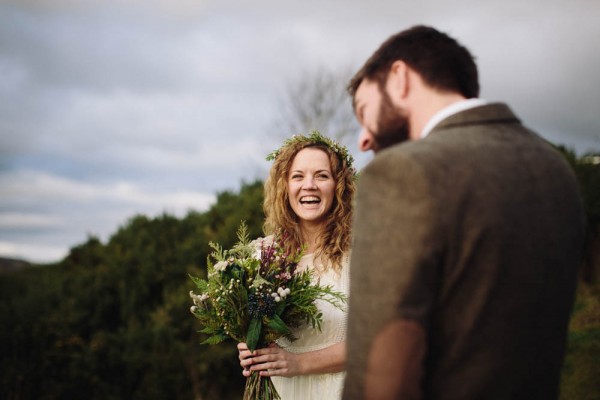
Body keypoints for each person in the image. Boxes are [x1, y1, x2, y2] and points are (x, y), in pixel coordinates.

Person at [342, 25, 586, 399]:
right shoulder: (554, 167)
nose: (363, 138)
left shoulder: (402, 173)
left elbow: (380, 374)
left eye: (364, 110)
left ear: (399, 78)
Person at [237, 131, 356, 399]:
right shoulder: (261, 255)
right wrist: (249, 347)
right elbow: (253, 325)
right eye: (298, 176)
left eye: (322, 176)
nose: (309, 185)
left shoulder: (363, 254)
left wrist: (299, 363)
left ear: (340, 187)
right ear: (284, 187)